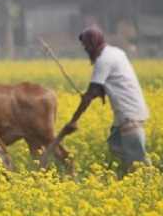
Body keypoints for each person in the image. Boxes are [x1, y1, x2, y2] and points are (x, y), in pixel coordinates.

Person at [61, 26, 150, 175]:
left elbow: (91, 93)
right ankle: (127, 177)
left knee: (137, 158)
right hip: (130, 110)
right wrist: (95, 92)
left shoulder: (103, 60)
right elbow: (106, 84)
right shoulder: (116, 52)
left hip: (129, 113)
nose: (85, 49)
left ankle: (144, 179)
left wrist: (73, 120)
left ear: (93, 43)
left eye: (86, 45)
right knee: (115, 144)